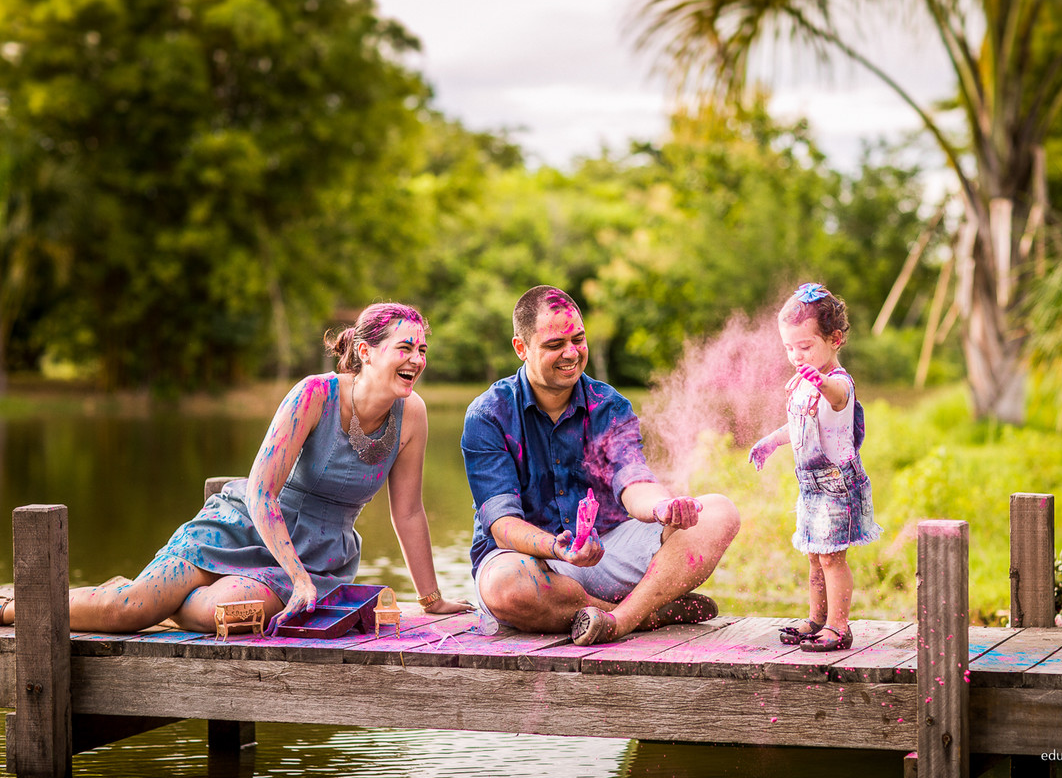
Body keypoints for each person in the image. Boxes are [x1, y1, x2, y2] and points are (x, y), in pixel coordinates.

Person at [0, 302, 472, 632]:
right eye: (405, 348)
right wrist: (298, 579)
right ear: (366, 352)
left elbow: (408, 513)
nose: (417, 359)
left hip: (320, 553)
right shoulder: (315, 394)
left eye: (422, 350)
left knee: (231, 613)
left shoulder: (413, 415)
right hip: (247, 525)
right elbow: (262, 493)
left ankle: (160, 602)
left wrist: (432, 600)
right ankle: (12, 606)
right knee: (127, 612)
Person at [461, 285, 741, 646]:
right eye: (554, 345)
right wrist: (558, 548)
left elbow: (633, 480)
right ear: (521, 348)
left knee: (719, 512)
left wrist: (661, 507)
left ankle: (620, 620)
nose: (571, 353)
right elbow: (501, 526)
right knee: (505, 587)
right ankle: (646, 613)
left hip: (605, 550)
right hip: (533, 561)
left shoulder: (610, 405)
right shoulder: (488, 414)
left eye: (578, 339)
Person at [748, 282, 881, 652]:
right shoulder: (803, 380)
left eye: (804, 347)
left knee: (831, 556)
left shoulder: (837, 382)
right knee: (813, 554)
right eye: (789, 347)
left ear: (835, 339)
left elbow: (838, 402)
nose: (795, 355)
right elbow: (800, 426)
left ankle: (839, 627)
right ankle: (817, 618)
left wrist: (820, 383)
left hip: (837, 482)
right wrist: (770, 442)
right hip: (810, 485)